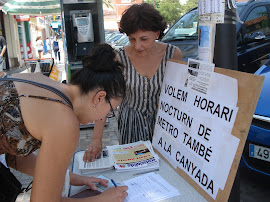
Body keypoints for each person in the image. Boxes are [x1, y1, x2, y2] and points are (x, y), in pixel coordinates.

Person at [0, 43, 128, 201]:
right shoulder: (64, 122)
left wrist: (75, 178)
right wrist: (101, 199)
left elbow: (16, 157)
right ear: (99, 97)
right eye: (109, 111)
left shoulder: (41, 81)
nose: (104, 117)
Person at [84, 3, 182, 162]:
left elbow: (180, 97)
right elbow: (107, 98)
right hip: (130, 126)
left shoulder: (173, 54)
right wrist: (96, 139)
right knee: (133, 171)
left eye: (144, 39)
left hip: (164, 127)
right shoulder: (119, 57)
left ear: (157, 33)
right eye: (131, 39)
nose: (137, 46)